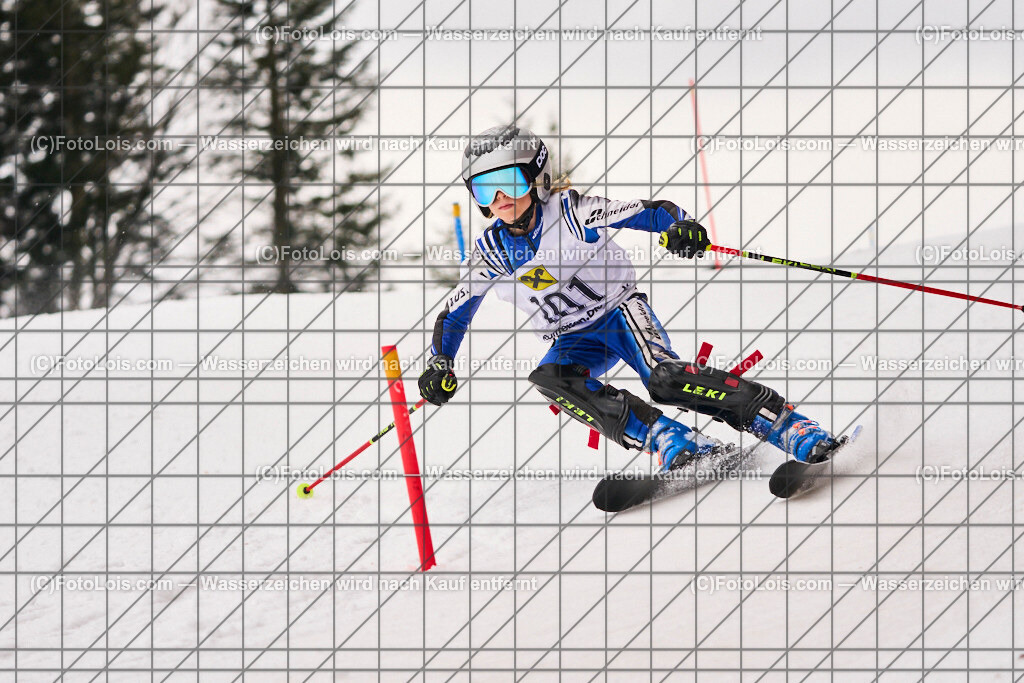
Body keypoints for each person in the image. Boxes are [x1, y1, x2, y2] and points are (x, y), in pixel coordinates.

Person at [418, 124, 840, 471]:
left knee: (664, 378)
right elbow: (453, 316)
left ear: (536, 175)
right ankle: (668, 438)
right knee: (550, 379)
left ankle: (787, 425)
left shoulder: (571, 212)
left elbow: (651, 211)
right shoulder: (490, 253)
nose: (499, 199)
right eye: (484, 190)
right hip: (574, 339)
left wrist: (680, 226)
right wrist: (440, 362)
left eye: (508, 181)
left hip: (619, 314)